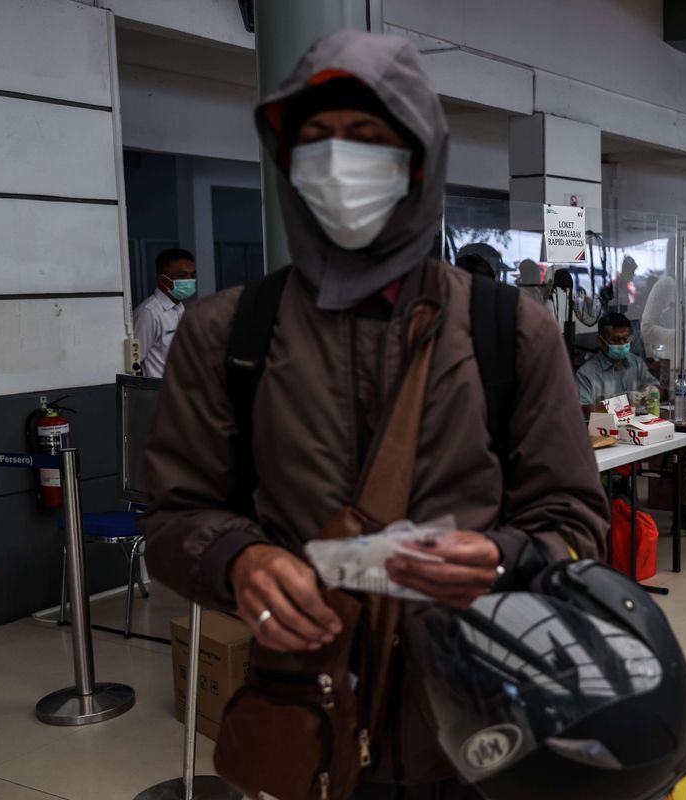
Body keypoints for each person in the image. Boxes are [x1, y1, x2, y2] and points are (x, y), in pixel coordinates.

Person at [139, 32, 609, 800]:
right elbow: (174, 514)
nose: (337, 164)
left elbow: (576, 517)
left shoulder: (509, 330)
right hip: (309, 707)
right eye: (313, 140)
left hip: (481, 711)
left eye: (367, 139)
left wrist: (507, 559)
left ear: (419, 160)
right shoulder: (230, 333)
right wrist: (239, 560)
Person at [577, 313, 686, 535]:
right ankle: (619, 508)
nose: (622, 344)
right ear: (600, 340)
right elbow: (583, 410)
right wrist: (620, 403)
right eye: (616, 340)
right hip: (611, 437)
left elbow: (656, 388)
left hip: (641, 431)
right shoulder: (587, 373)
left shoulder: (634, 362)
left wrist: (652, 391)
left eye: (626, 339)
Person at [132, 248, 196, 378]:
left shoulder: (180, 308)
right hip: (159, 395)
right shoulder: (149, 313)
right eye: (182, 276)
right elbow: (134, 365)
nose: (189, 281)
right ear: (163, 280)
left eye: (192, 275)